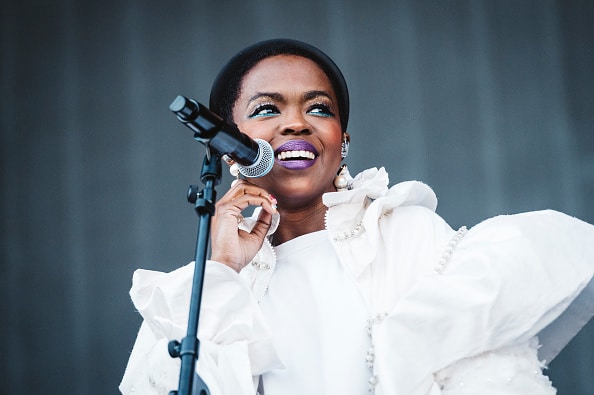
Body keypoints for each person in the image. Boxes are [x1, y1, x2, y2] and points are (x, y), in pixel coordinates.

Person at [119, 39, 594, 395]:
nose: (296, 123)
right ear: (227, 147)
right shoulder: (196, 291)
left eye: (318, 108)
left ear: (342, 141)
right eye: (267, 109)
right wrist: (221, 266)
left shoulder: (407, 234)